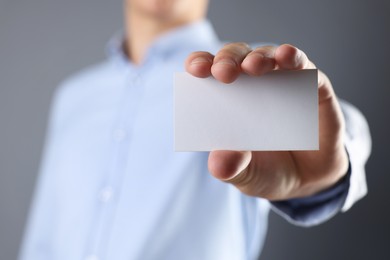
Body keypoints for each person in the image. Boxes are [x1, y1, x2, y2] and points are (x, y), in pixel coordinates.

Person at [19, 0, 371, 259]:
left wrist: (329, 166)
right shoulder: (75, 97)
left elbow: (338, 123)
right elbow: (43, 237)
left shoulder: (240, 77)